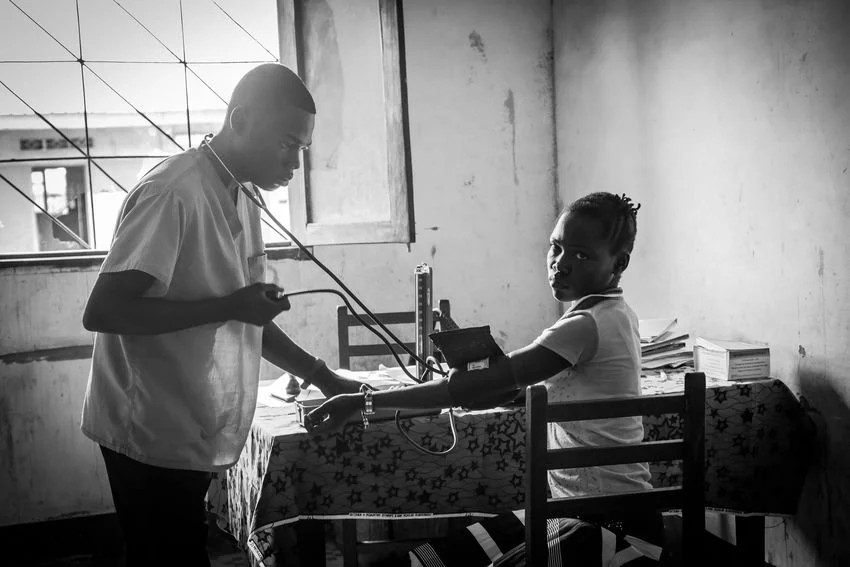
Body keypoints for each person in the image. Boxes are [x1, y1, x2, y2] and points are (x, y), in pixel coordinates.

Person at [80, 63, 362, 567]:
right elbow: (105, 310)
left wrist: (322, 377)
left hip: (187, 418)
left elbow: (248, 317)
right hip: (144, 424)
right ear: (240, 120)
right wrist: (230, 306)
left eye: (303, 148)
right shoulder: (174, 192)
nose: (295, 163)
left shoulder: (242, 194)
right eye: (287, 144)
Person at [306, 192, 664, 565]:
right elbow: (506, 390)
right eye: (556, 248)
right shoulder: (614, 314)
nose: (560, 264)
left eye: (581, 255)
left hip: (611, 532)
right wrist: (479, 372)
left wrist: (363, 401)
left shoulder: (584, 326)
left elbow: (468, 389)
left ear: (619, 263)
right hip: (576, 516)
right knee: (435, 558)